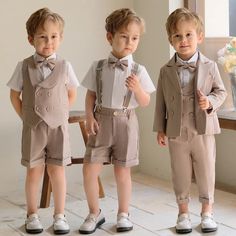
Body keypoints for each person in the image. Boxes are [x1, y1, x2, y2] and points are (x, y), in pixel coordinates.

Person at [79, 8, 155, 234]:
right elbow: (91, 94)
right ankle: (95, 212)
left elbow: (145, 101)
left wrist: (138, 88)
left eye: (135, 38)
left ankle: (124, 213)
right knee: (89, 169)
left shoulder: (139, 70)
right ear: (110, 37)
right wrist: (89, 116)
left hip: (126, 122)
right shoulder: (99, 66)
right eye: (124, 36)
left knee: (122, 171)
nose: (130, 42)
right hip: (100, 121)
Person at [153, 8, 227, 234]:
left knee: (206, 170)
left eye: (188, 35)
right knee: (180, 172)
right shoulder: (166, 71)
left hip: (203, 130)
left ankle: (207, 212)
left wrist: (210, 102)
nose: (183, 40)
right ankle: (183, 213)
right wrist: (160, 129)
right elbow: (161, 102)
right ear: (170, 40)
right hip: (176, 130)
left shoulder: (210, 66)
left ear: (200, 37)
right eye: (177, 36)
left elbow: (221, 91)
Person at [7, 7, 79, 235]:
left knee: (58, 171)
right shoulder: (24, 66)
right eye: (42, 37)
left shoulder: (65, 66)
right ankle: (32, 214)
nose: (48, 42)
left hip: (57, 127)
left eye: (54, 36)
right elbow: (14, 95)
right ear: (31, 39)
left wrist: (62, 114)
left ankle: (60, 215)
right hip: (34, 128)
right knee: (34, 172)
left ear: (61, 38)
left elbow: (71, 92)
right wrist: (26, 117)